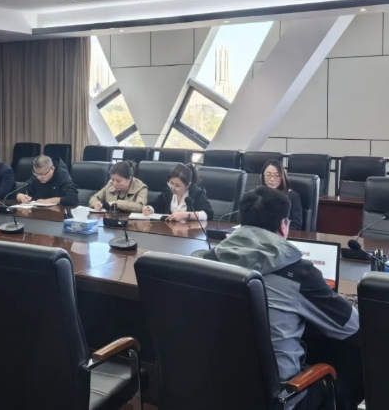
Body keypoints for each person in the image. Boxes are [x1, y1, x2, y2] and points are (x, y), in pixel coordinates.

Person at [204, 186, 362, 410]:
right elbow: (353, 326)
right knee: (350, 364)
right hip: (280, 398)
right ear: (283, 225)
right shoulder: (298, 272)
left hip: (215, 387)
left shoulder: (209, 260)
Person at [142, 163, 213, 222]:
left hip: (190, 231)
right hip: (170, 230)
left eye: (178, 186)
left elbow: (208, 214)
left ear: (188, 185)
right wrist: (150, 209)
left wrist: (185, 215)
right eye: (171, 183)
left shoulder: (197, 193)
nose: (173, 187)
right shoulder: (168, 191)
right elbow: (157, 205)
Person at [260, 160, 303, 231]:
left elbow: (296, 226)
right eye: (268, 175)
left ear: (282, 177)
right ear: (263, 176)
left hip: (281, 235)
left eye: (277, 176)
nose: (272, 179)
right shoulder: (258, 195)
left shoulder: (292, 196)